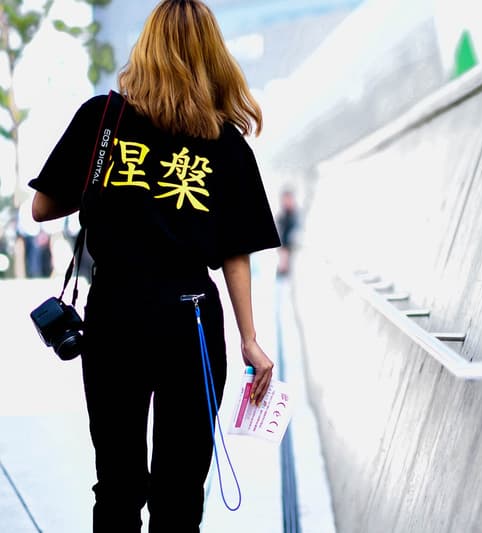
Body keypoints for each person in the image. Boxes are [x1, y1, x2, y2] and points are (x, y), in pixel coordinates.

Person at [28, 1, 281, 531]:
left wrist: (114, 185)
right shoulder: (223, 143)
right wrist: (250, 338)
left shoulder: (104, 119)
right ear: (211, 57)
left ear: (147, 50)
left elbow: (43, 207)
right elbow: (237, 250)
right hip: (191, 319)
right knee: (181, 487)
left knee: (117, 483)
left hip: (116, 316)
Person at [276, 187, 299, 277]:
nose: (286, 202)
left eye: (288, 199)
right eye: (284, 200)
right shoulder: (282, 217)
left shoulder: (296, 218)